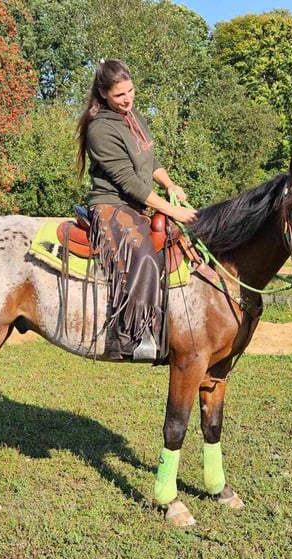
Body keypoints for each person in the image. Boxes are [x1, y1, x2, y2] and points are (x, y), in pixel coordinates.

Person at [76, 58, 197, 361]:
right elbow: (129, 182)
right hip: (112, 204)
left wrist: (169, 184)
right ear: (103, 93)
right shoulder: (100, 129)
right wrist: (172, 210)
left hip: (139, 203)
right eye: (119, 95)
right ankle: (130, 336)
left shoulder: (134, 116)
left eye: (130, 91)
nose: (127, 98)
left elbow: (150, 161)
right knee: (143, 256)